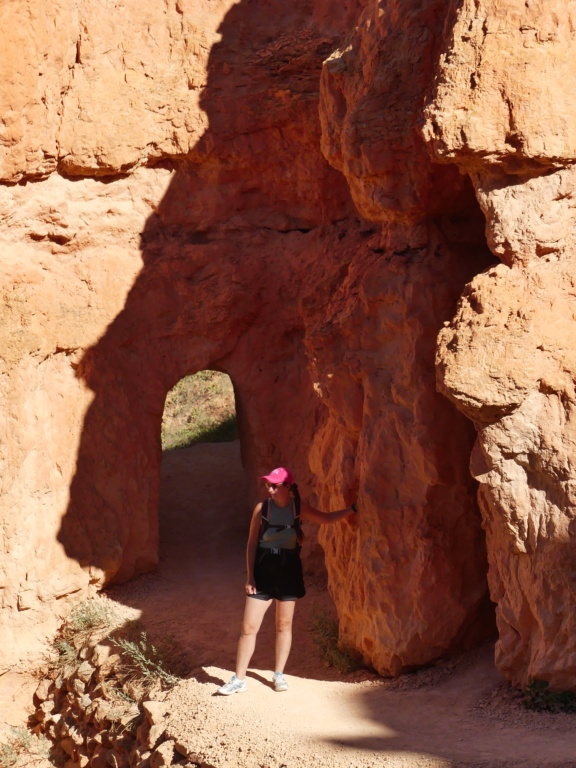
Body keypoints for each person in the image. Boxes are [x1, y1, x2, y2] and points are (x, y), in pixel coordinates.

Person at [217, 466, 357, 695]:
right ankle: (239, 679)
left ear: (288, 487)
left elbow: (325, 518)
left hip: (288, 568)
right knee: (248, 627)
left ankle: (279, 675)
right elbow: (252, 543)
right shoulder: (262, 509)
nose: (270, 489)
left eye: (275, 485)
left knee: (284, 625)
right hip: (263, 569)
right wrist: (250, 575)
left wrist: (351, 510)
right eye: (268, 484)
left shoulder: (297, 508)